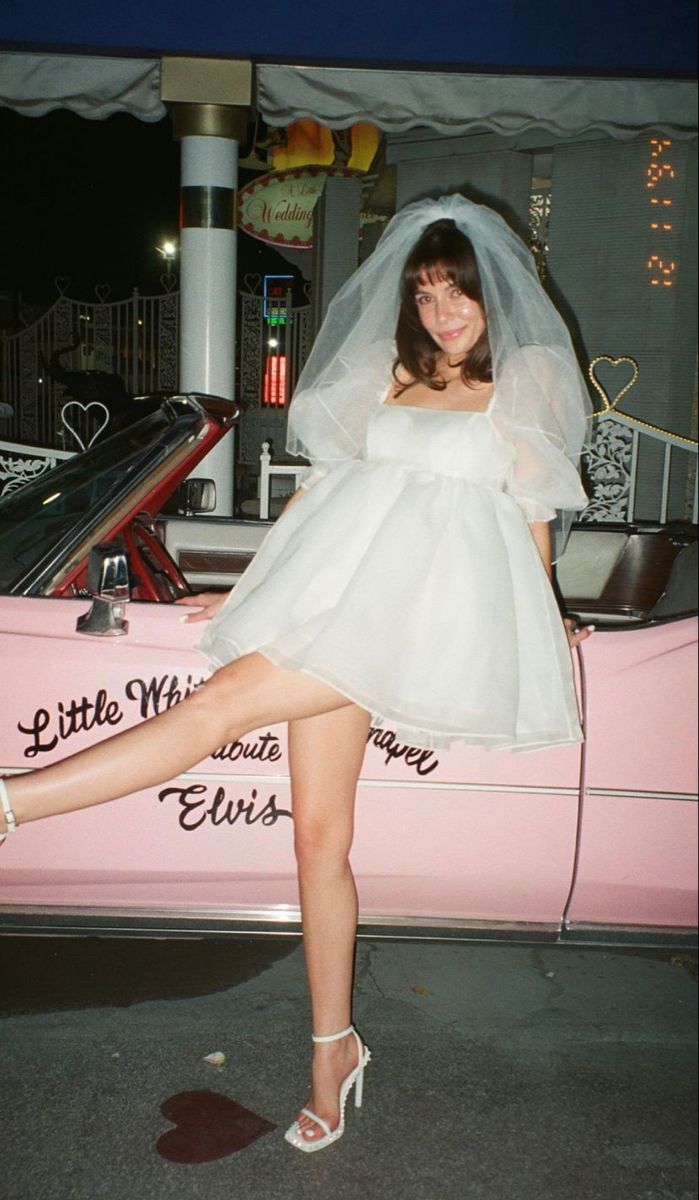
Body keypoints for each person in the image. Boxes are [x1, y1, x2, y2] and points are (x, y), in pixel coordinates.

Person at [0, 194, 593, 1153]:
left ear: (491, 293)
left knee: (219, 707)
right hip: (341, 600)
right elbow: (324, 500)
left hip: (422, 614)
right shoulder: (397, 371)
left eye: (458, 292)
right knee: (317, 840)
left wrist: (541, 616)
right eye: (428, 292)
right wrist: (245, 599)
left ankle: (10, 806)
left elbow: (532, 518)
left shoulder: (524, 378)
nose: (444, 311)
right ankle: (335, 1047)